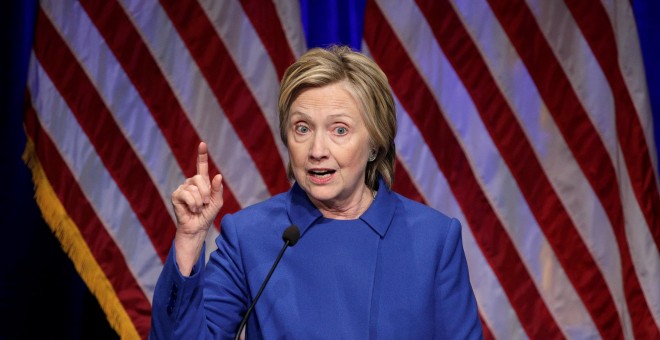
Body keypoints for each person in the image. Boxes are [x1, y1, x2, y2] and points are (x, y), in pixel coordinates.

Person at [150, 46, 482, 339]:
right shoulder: (250, 237)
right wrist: (190, 240)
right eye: (303, 128)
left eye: (340, 129)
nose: (317, 149)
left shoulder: (434, 240)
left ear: (375, 144)